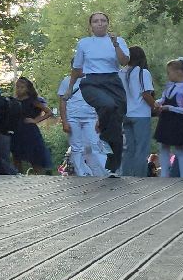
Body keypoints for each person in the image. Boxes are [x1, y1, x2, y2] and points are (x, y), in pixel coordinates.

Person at [66, 12, 130, 176]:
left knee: (116, 122)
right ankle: (102, 135)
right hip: (91, 82)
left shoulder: (118, 41)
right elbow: (76, 69)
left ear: (108, 24)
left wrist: (115, 44)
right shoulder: (84, 43)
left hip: (113, 81)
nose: (100, 24)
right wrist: (69, 88)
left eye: (103, 21)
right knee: (107, 105)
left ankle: (112, 168)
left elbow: (124, 62)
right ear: (91, 26)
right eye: (96, 21)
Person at [154, 58, 183, 178]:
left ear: (179, 72)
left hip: (179, 121)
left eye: (169, 72)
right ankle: (164, 174)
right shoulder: (169, 87)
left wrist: (171, 108)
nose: (167, 75)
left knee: (180, 149)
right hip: (166, 120)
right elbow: (163, 98)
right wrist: (158, 102)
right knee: (163, 146)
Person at [120, 45, 157, 177]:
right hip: (141, 115)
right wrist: (156, 106)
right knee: (141, 149)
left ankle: (125, 175)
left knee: (129, 149)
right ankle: (139, 177)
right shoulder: (143, 73)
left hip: (125, 114)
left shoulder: (121, 73)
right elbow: (146, 95)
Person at [58, 74, 104, 177]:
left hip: (91, 118)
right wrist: (64, 121)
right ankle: (81, 174)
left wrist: (99, 119)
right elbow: (62, 102)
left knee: (95, 145)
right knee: (76, 147)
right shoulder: (66, 81)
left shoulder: (94, 79)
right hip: (73, 118)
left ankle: (101, 173)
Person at [10, 76, 55, 174]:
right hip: (16, 130)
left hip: (29, 131)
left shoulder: (33, 100)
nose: (19, 89)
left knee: (34, 156)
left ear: (27, 88)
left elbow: (49, 112)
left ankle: (38, 177)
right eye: (18, 87)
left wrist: (35, 120)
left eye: (22, 87)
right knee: (16, 156)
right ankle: (18, 176)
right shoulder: (14, 100)